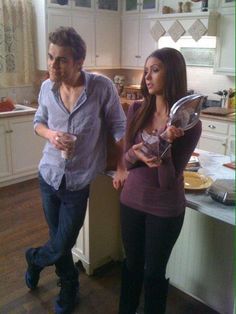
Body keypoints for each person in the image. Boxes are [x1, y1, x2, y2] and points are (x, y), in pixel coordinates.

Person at [24, 27, 127, 314]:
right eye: (50, 57)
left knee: (62, 241)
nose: (53, 66)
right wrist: (50, 135)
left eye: (62, 60)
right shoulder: (47, 88)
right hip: (48, 175)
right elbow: (38, 122)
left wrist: (122, 165)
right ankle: (69, 286)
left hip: (78, 182)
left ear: (79, 61)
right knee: (59, 240)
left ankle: (33, 258)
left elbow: (120, 126)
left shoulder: (101, 87)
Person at [118, 47, 202, 314]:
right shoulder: (137, 110)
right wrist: (135, 152)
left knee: (154, 273)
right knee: (131, 266)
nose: (147, 77)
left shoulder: (188, 124)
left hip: (165, 209)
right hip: (131, 201)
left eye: (155, 70)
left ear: (173, 73)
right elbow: (127, 162)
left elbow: (167, 181)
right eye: (146, 71)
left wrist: (164, 146)